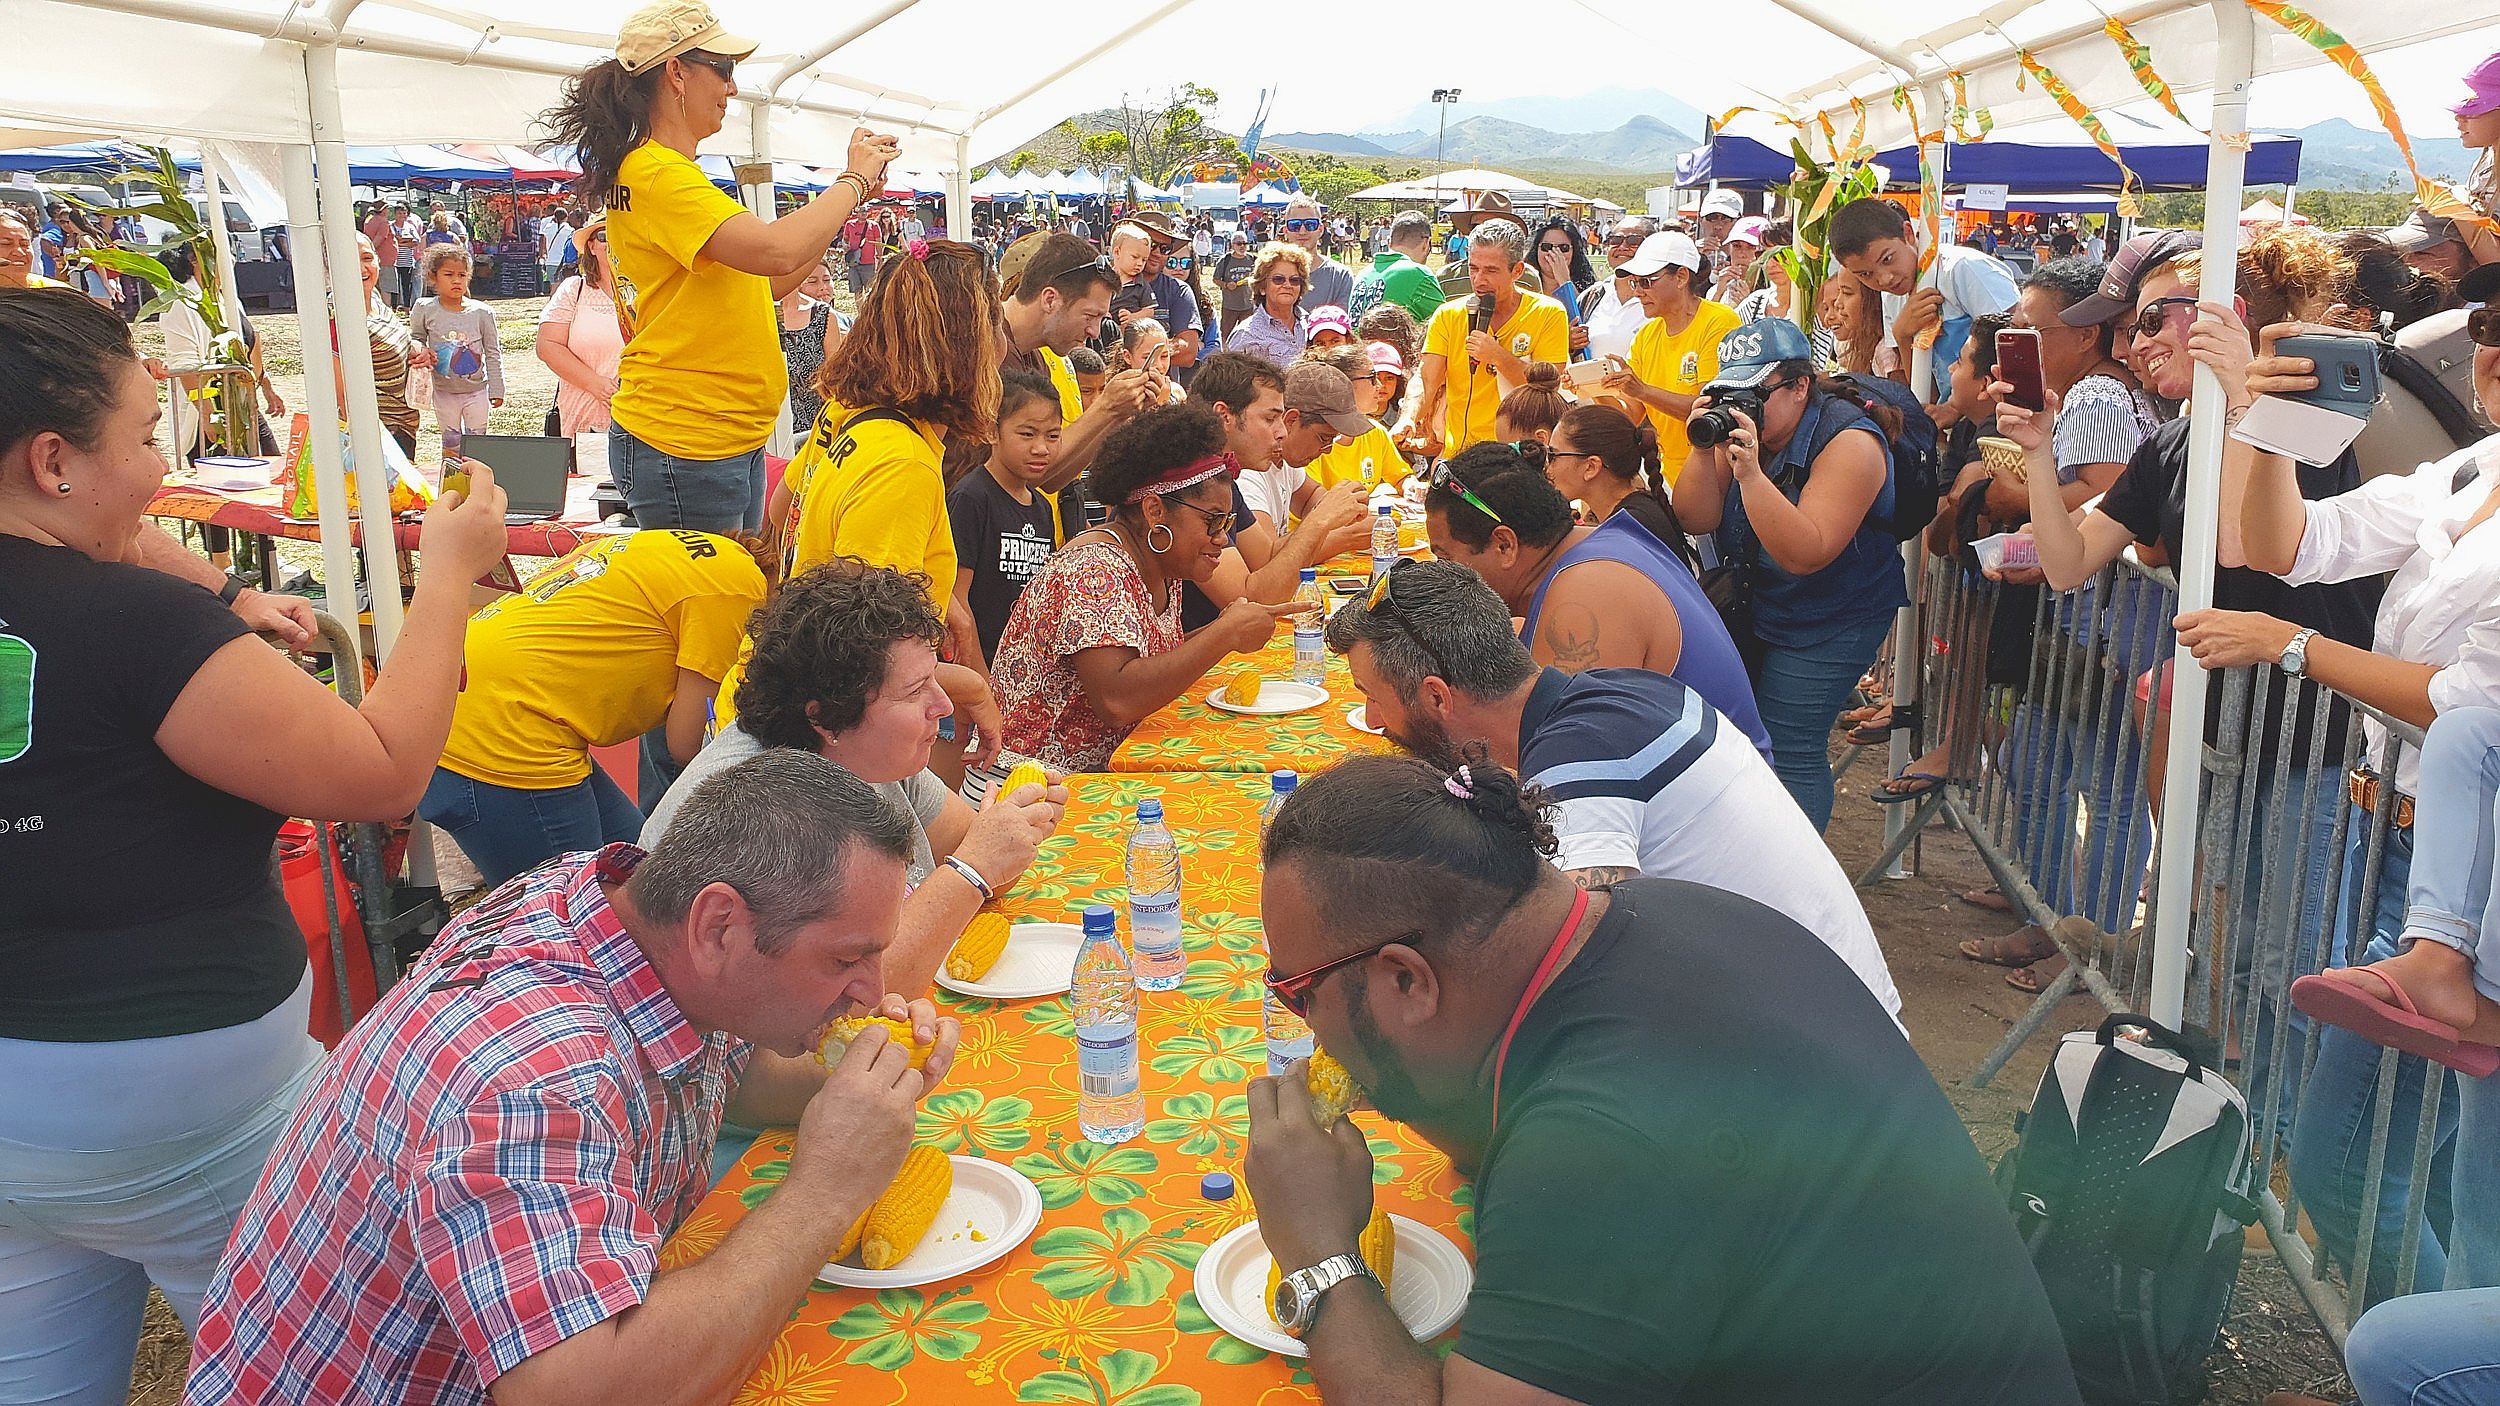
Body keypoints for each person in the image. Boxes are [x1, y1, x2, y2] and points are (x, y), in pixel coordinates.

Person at [0, 286, 507, 1402]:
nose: (156, 468)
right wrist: (450, 576)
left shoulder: (122, 600)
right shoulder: (134, 629)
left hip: (15, 1123)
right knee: (324, 1368)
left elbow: (120, 532)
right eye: (142, 438)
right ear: (51, 460)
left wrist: (225, 589)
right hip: (192, 1117)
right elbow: (381, 771)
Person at [1241, 753, 2081, 1405]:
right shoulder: (1672, 913)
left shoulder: (1601, 1146)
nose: (1302, 1024)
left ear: (1406, 981)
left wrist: (1316, 1248)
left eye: (1299, 992)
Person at [186, 750, 962, 1406]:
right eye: (846, 958)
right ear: (720, 924)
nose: (873, 987)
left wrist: (861, 1082)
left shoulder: (624, 909)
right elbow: (584, 1388)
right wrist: (829, 1187)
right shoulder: (531, 1077)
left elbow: (731, 1074)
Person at [2230, 257, 2500, 1302]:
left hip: (2459, 874)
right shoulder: (2473, 470)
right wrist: (2274, 433)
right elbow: (2287, 542)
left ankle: (2420, 1364)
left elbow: (2470, 699)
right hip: (2386, 833)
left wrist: (2288, 649)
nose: (2493, 353)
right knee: (2421, 1166)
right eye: (2487, 325)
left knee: (2356, 1165)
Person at [1326, 557, 1897, 1011]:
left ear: (1435, 697)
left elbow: (1575, 968)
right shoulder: (1609, 692)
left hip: (1817, 1059)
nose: (1373, 721)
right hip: (1829, 1007)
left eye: (1371, 697)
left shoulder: (1579, 759)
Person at [541, 0, 900, 531]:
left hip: (708, 438)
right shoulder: (660, 175)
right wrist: (851, 183)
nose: (732, 88)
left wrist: (853, 197)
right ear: (676, 72)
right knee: (714, 608)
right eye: (724, 69)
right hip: (690, 441)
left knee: (724, 601)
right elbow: (775, 251)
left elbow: (768, 282)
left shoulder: (659, 171)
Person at [644, 561, 1065, 996]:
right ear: (825, 717)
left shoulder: (869, 753)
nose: (942, 706)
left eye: (935, 678)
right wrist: (974, 868)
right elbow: (858, 993)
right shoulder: (765, 809)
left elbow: (987, 870)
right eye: (915, 690)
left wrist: (1008, 837)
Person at [750, 239, 1000, 765]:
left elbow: (781, 511)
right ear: (968, 343)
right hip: (844, 742)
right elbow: (866, 656)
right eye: (993, 324)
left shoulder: (848, 412)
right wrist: (973, 688)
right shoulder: (902, 465)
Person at [418, 529, 767, 888]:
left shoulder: (697, 548)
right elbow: (687, 744)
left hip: (469, 694)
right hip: (504, 734)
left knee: (642, 875)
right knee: (588, 917)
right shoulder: (736, 593)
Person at [986, 402, 1311, 777]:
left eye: (1228, 522)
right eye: (1213, 521)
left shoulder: (1161, 561)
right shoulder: (1095, 570)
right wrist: (1224, 635)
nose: (1222, 538)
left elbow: (1151, 659)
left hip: (1097, 775)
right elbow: (1116, 698)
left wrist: (1228, 626)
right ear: (1155, 511)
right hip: (1028, 788)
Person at [1672, 317, 1907, 830]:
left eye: (1755, 393)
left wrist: (1751, 476)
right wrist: (1700, 445)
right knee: (1749, 732)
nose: (1740, 407)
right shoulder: (1746, 432)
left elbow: (1808, 552)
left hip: (1834, 613)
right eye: (1729, 393)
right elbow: (1695, 517)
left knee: (1791, 742)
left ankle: (1797, 890)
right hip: (1764, 601)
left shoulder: (1850, 442)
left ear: (1801, 386)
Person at [1423, 446, 1768, 754]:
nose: (1444, 573)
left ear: (1504, 545)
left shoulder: (1586, 592)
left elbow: (1549, 764)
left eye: (1446, 558)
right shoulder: (1590, 545)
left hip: (1707, 816)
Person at [1399, 220, 1570, 459]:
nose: (1479, 279)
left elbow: (1547, 391)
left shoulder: (1548, 313)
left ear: (1517, 271)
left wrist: (1498, 356)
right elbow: (1427, 378)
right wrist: (1409, 417)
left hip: (1519, 460)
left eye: (1491, 270)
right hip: (1459, 458)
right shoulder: (1449, 314)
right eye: (1473, 268)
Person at [1831, 196, 2020, 411]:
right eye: (1866, 274)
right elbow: (1924, 392)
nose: (1884, 279)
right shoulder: (1891, 297)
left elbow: (2018, 344)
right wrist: (1902, 336)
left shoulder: (1963, 270)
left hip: (2003, 417)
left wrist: (1954, 409)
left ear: (1908, 233)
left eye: (1887, 259)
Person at [1603, 231, 1742, 484]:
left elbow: (1708, 409)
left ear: (1681, 277)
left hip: (1714, 475)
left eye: (1647, 282)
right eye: (1635, 283)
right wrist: (1594, 388)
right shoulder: (1646, 336)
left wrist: (1642, 390)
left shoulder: (1719, 322)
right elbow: (1631, 415)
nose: (1638, 293)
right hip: (1668, 475)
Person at [950, 368, 1064, 666]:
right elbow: (957, 598)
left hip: (1025, 668)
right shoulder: (972, 498)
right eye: (1027, 434)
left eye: (1053, 436)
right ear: (992, 431)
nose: (1041, 448)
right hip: (982, 666)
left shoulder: (1041, 506)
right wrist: (979, 681)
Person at [408, 243, 505, 461]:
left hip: (477, 390)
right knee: (451, 441)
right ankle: (452, 486)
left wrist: (497, 388)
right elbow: (415, 338)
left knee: (477, 442)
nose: (456, 280)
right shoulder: (425, 309)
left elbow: (492, 352)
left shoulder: (482, 312)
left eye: (462, 275)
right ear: (433, 277)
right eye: (449, 274)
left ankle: (477, 487)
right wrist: (422, 350)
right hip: (443, 391)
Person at [536, 214, 623, 440]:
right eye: (604, 236)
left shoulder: (652, 291)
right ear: (591, 247)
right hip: (584, 416)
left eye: (621, 233)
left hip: (642, 417)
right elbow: (547, 346)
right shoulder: (573, 290)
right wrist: (598, 386)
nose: (613, 241)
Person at [1544, 400, 1677, 542]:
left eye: (1553, 456)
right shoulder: (1636, 513)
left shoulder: (1626, 530)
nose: (1546, 467)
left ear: (1591, 467)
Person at [1301, 342, 1411, 495]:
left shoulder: (1376, 432)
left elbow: (1401, 477)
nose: (1379, 385)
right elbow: (1315, 506)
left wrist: (1410, 486)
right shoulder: (1313, 441)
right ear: (1344, 383)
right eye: (1372, 378)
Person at [354, 233, 424, 458]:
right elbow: (341, 393)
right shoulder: (339, 315)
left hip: (402, 426)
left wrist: (418, 351)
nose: (362, 268)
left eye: (366, 258)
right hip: (377, 436)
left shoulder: (373, 297)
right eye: (349, 259)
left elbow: (396, 341)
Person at [778, 255, 842, 433]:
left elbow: (835, 379)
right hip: (770, 428)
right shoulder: (759, 313)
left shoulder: (823, 316)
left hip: (814, 428)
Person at [1582, 216, 1655, 366]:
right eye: (1615, 240)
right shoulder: (1592, 296)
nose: (1622, 247)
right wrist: (1571, 342)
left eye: (1633, 241)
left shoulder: (1661, 297)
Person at [1231, 241, 1314, 368]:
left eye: (1294, 280)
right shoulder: (1246, 335)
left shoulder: (1312, 325)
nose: (1287, 285)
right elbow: (1230, 384)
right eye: (1278, 279)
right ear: (1262, 287)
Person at [1352, 211, 1443, 325]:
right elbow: (1445, 325)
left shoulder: (1363, 274)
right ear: (1426, 243)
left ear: (1389, 242)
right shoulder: (1418, 274)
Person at [1529, 216, 1596, 356]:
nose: (1553, 253)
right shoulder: (1524, 285)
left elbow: (1582, 318)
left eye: (1563, 248)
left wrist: (1564, 281)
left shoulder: (1590, 292)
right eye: (1546, 247)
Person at [1280, 194, 1355, 312]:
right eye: (1295, 225)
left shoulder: (1340, 276)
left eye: (1310, 224)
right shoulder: (1271, 275)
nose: (1302, 231)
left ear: (1320, 229)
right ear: (1285, 230)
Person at [1215, 229, 1258, 338]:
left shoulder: (1252, 259)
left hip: (1248, 305)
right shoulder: (1225, 260)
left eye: (1245, 243)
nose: (1242, 246)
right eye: (1239, 244)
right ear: (1232, 245)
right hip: (1230, 305)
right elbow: (1215, 279)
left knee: (1247, 336)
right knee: (1225, 335)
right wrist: (1226, 285)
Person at [361, 201, 401, 308]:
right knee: (386, 287)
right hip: (385, 260)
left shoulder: (368, 221)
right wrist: (371, 252)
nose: (388, 211)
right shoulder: (383, 222)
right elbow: (379, 238)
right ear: (383, 210)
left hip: (377, 259)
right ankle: (386, 309)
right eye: (387, 209)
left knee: (376, 286)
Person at [1694, 187, 1743, 270]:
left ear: (1739, 221)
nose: (1718, 226)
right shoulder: (1687, 254)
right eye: (1712, 217)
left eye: (1726, 218)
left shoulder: (1747, 258)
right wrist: (1693, 256)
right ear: (1700, 220)